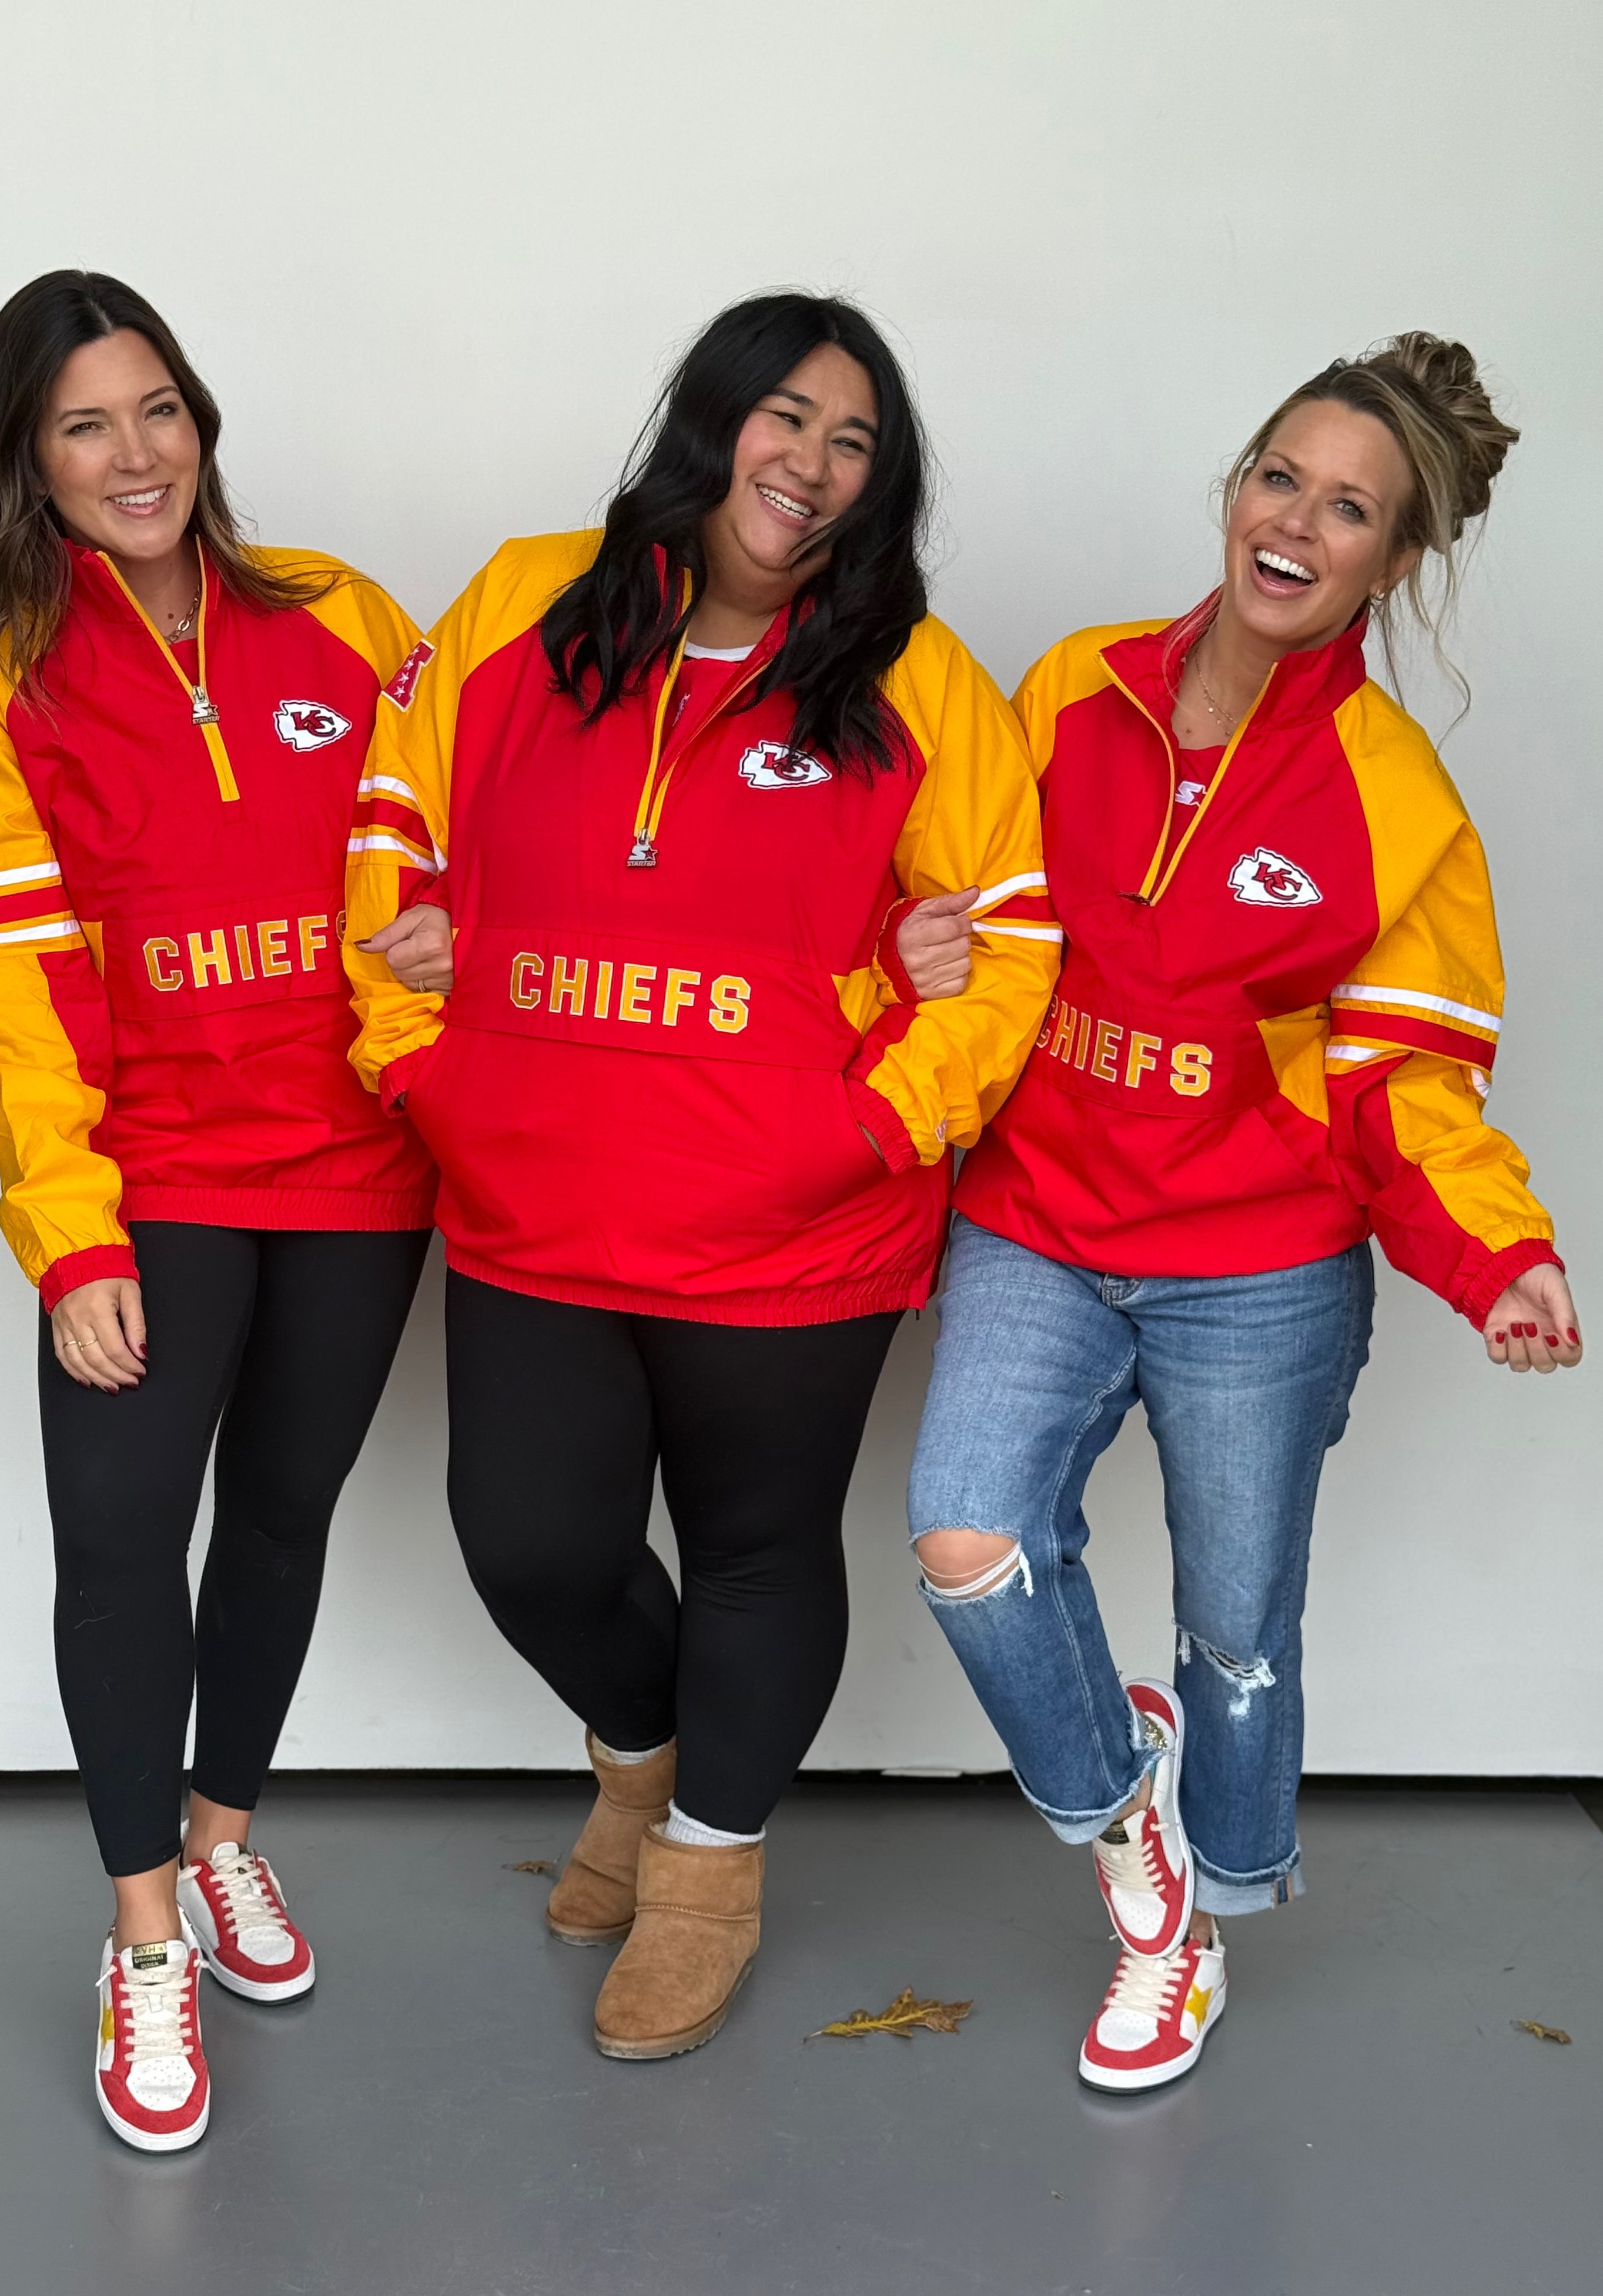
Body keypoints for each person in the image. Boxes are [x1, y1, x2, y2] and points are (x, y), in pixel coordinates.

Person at [346, 292, 1059, 2060]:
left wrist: (877, 1122)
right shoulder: (525, 601)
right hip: (537, 1194)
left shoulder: (917, 678)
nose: (809, 464)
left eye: (853, 443)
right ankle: (642, 1771)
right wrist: (419, 1053)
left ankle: (709, 1872)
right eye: (785, 417)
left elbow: (1016, 937)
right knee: (531, 1540)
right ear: (712, 418)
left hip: (791, 1224)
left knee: (754, 1550)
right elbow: (389, 821)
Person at [895, 332, 1581, 2093]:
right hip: (1039, 1218)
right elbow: (957, 893)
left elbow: (1405, 1084)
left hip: (1258, 1268)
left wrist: (1496, 1257)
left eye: (1349, 508)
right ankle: (1145, 1864)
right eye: (1281, 476)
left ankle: (1208, 1904)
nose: (1297, 521)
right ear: (1234, 487)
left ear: (1393, 560)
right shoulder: (1071, 687)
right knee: (967, 1537)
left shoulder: (1396, 799)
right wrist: (913, 944)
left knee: (1235, 1638)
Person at [0, 272, 436, 2151]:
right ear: (27, 458)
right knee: (122, 1539)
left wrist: (450, 953)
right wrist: (72, 1235)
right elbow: (7, 998)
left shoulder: (346, 617)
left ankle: (222, 1839)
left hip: (360, 1170)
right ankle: (143, 1937)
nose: (135, 456)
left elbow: (464, 836)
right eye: (84, 426)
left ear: (199, 419)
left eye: (158, 411)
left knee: (282, 1515)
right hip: (155, 1182)